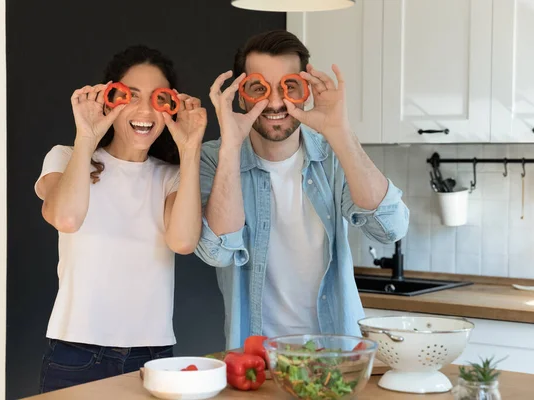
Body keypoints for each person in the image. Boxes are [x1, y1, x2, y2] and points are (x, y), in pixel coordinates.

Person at [195, 30, 409, 349]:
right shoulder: (214, 158)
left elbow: (390, 228)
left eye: (289, 86)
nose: (276, 101)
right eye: (259, 88)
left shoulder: (333, 154)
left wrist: (341, 132)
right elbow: (217, 252)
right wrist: (231, 146)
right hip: (255, 359)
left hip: (337, 352)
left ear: (304, 92)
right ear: (241, 96)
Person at [34, 45, 207, 393]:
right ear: (111, 97)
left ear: (171, 107)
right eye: (131, 96)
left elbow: (184, 241)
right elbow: (65, 217)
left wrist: (190, 151)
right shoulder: (66, 157)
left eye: (158, 99)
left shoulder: (172, 177)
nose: (145, 110)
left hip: (153, 358)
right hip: (75, 354)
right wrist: (87, 135)